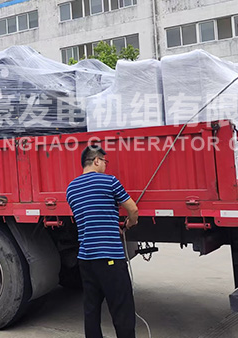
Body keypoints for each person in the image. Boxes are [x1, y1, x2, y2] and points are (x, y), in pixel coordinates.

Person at [66, 144, 140, 338]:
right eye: (105, 162)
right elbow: (133, 209)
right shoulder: (110, 181)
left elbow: (88, 217)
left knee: (91, 309)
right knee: (122, 309)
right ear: (96, 160)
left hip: (86, 259)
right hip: (110, 258)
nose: (106, 166)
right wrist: (129, 223)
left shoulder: (71, 189)